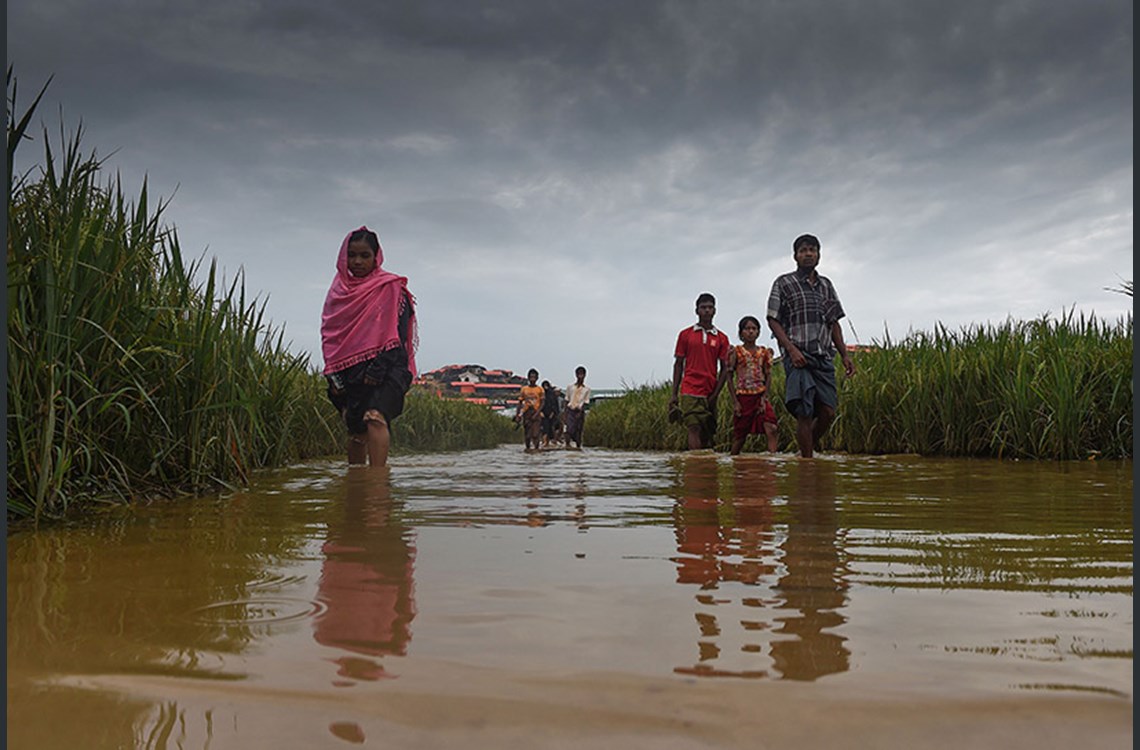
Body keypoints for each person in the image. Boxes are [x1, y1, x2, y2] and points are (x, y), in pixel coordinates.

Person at [321, 226, 417, 468]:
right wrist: (334, 377)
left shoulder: (391, 288)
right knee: (355, 429)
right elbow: (331, 337)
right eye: (352, 255)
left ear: (376, 257)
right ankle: (356, 484)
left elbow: (396, 333)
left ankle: (376, 484)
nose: (357, 261)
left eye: (365, 255)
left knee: (375, 417)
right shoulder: (337, 294)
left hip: (389, 366)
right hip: (350, 370)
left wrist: (378, 368)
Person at [766, 233, 855, 458]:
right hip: (798, 355)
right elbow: (773, 319)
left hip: (823, 356)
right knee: (804, 411)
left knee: (827, 411)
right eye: (803, 250)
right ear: (795, 256)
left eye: (812, 250)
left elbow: (834, 322)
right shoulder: (783, 283)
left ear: (818, 255)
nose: (808, 254)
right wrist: (791, 349)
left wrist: (844, 355)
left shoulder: (826, 285)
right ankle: (807, 465)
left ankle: (804, 453)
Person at [669, 293, 731, 450]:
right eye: (703, 308)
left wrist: (715, 394)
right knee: (693, 427)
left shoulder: (722, 338)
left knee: (707, 431)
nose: (707, 311)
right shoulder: (686, 335)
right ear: (697, 311)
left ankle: (704, 470)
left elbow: (725, 369)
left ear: (715, 311)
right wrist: (674, 394)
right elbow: (678, 364)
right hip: (690, 389)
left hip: (710, 390)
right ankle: (694, 464)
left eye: (710, 307)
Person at [727, 315, 780, 455]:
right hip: (743, 397)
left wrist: (765, 397)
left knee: (771, 427)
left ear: (758, 332)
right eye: (747, 329)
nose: (750, 331)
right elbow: (729, 376)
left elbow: (768, 375)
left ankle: (772, 459)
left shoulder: (764, 352)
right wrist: (735, 402)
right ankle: (734, 460)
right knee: (740, 435)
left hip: (760, 395)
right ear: (741, 333)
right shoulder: (736, 352)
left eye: (754, 329)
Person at [517, 368, 544, 452]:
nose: (532, 379)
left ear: (537, 378)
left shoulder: (540, 389)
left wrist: (537, 414)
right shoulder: (524, 389)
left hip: (536, 412)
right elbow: (520, 402)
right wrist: (518, 414)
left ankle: (536, 449)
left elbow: (542, 403)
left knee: (535, 434)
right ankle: (528, 449)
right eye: (531, 377)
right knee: (527, 434)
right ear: (528, 378)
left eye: (534, 377)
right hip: (526, 412)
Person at [564, 366, 591, 449]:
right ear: (576, 375)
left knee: (579, 431)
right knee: (569, 430)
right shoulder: (570, 387)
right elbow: (567, 400)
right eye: (579, 374)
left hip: (579, 411)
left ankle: (578, 448)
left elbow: (586, 402)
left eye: (582, 374)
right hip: (570, 410)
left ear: (585, 375)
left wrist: (580, 412)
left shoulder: (587, 389)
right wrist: (565, 413)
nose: (580, 376)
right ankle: (567, 446)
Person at [540, 380, 561, 448]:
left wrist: (553, 412)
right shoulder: (541, 393)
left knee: (552, 428)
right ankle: (545, 442)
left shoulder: (552, 394)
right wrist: (540, 412)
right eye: (544, 386)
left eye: (547, 385)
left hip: (552, 415)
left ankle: (552, 441)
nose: (545, 387)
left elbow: (554, 404)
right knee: (544, 428)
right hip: (542, 414)